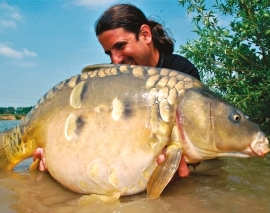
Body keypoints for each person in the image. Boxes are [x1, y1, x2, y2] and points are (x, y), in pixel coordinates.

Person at [34, 3, 200, 179]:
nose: (115, 60)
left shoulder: (183, 74)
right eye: (108, 53)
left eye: (120, 46)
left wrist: (185, 160)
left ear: (145, 34)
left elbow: (198, 143)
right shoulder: (112, 81)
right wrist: (56, 156)